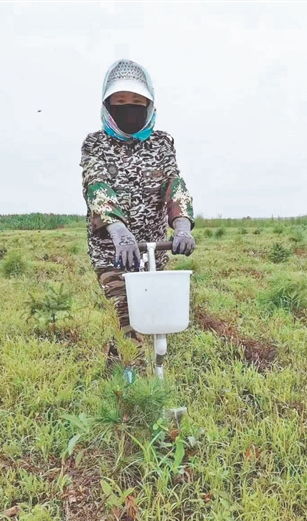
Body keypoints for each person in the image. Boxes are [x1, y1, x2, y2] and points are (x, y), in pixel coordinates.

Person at [80, 59, 195, 357]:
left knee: (152, 320)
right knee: (127, 317)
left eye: (136, 102)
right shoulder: (95, 144)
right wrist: (119, 232)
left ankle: (119, 371)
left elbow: (174, 183)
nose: (128, 108)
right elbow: (96, 186)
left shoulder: (161, 143)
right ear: (107, 106)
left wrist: (181, 225)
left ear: (149, 105)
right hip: (113, 252)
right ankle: (134, 393)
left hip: (154, 251)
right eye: (119, 102)